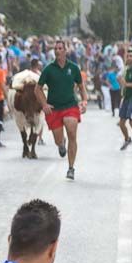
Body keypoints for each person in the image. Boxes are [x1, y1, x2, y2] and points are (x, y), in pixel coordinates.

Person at [38, 40, 89, 180]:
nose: (57, 51)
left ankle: (71, 168)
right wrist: (44, 104)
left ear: (65, 51)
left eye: (60, 48)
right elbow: (38, 89)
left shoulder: (73, 68)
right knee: (57, 139)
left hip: (70, 106)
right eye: (55, 48)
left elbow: (81, 86)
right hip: (54, 109)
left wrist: (84, 101)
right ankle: (61, 144)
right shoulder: (48, 69)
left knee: (72, 134)